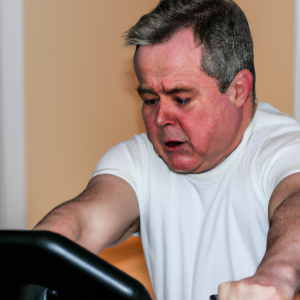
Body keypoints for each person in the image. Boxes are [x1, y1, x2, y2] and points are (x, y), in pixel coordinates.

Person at [34, 0, 300, 300]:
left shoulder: (283, 148)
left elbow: (296, 203)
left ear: (238, 90)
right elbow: (84, 220)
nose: (160, 118)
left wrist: (278, 275)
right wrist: (29, 259)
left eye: (181, 98)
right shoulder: (141, 159)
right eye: (150, 99)